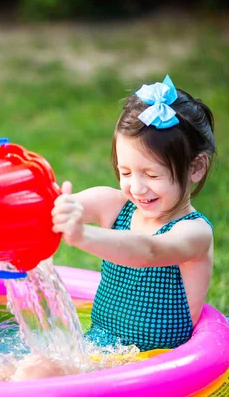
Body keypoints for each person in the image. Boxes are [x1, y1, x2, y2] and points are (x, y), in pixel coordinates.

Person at [51, 75, 216, 351]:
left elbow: (147, 252)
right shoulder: (114, 205)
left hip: (154, 364)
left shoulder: (194, 232)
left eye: (151, 174)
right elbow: (47, 207)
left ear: (195, 168)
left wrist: (82, 236)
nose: (136, 187)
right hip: (99, 349)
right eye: (125, 172)